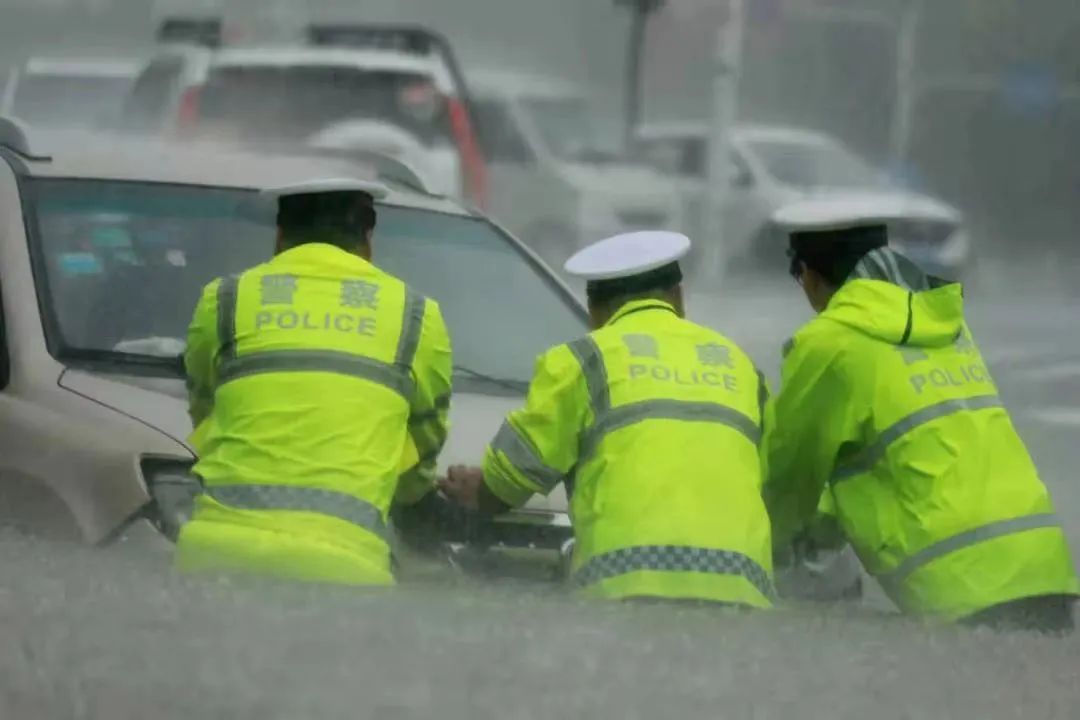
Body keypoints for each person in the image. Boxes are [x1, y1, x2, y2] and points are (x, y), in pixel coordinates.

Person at [764, 200, 1080, 633]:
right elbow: (905, 459)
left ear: (810, 276)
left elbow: (788, 480)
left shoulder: (828, 345)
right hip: (1046, 570)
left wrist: (761, 555)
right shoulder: (947, 327)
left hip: (962, 586)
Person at [441, 231, 775, 607]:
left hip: (625, 590)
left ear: (595, 309)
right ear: (678, 297)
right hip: (742, 591)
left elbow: (512, 478)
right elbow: (773, 479)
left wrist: (479, 493)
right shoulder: (743, 367)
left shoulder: (583, 360)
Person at [176, 178, 454, 585]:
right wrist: (412, 496)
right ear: (368, 240)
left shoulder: (224, 299)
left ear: (280, 236)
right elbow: (425, 438)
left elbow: (204, 411)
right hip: (345, 567)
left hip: (213, 554)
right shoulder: (416, 316)